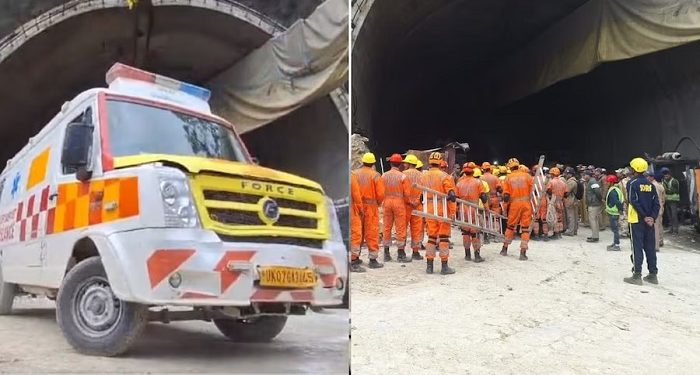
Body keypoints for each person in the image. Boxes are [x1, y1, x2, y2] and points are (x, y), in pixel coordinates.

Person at [624, 157, 660, 285]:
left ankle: (637, 275)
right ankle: (653, 274)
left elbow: (633, 201)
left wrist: (644, 216)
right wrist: (652, 217)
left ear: (633, 169)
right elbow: (657, 203)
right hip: (649, 221)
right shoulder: (651, 185)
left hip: (636, 219)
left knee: (637, 247)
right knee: (650, 247)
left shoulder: (632, 183)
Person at [423, 152, 457, 275]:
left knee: (431, 237)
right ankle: (444, 266)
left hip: (429, 209)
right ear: (440, 162)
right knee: (443, 237)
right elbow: (452, 195)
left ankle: (429, 266)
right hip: (442, 210)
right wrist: (453, 212)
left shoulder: (424, 176)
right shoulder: (445, 176)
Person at [353, 152, 385, 269]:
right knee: (371, 232)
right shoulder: (376, 175)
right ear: (373, 163)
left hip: (357, 206)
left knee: (357, 232)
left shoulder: (355, 174)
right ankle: (372, 259)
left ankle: (354, 257)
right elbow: (381, 194)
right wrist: (378, 203)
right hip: (371, 207)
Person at [382, 154, 413, 262]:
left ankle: (386, 253)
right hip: (399, 203)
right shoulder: (403, 177)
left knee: (387, 227)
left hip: (386, 202)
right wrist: (409, 203)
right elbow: (407, 194)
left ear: (390, 163)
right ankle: (400, 254)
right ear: (400, 164)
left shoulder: (384, 176)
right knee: (400, 227)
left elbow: (380, 191)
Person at [500, 158, 534, 260]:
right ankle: (523, 253)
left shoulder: (508, 178)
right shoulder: (527, 176)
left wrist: (505, 206)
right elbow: (533, 190)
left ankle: (504, 249)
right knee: (525, 229)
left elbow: (506, 196)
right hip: (526, 204)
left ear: (510, 167)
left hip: (515, 205)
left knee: (510, 227)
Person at [456, 164, 488, 262]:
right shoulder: (478, 182)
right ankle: (477, 256)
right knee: (475, 233)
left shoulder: (459, 183)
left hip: (463, 209)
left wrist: (456, 210)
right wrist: (486, 208)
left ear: (464, 171)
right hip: (474, 208)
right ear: (473, 171)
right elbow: (483, 196)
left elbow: (456, 199)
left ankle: (467, 255)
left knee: (465, 232)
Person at [402, 154, 425, 261]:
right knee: (416, 229)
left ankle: (401, 252)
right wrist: (417, 201)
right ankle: (415, 252)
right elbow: (424, 191)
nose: (404, 164)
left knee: (402, 228)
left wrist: (409, 201)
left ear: (409, 163)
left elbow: (401, 190)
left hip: (406, 205)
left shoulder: (403, 174)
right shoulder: (421, 175)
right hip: (418, 206)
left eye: (405, 163)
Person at [350, 172, 367, 272]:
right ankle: (353, 261)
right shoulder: (350, 175)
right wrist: (360, 209)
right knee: (356, 234)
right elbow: (356, 194)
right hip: (351, 210)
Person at [546, 167, 566, 240]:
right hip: (560, 201)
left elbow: (548, 190)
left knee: (554, 217)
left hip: (553, 200)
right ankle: (559, 233)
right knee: (560, 217)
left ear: (552, 174)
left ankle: (555, 233)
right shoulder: (563, 182)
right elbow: (566, 193)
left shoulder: (551, 182)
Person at [605, 175, 624, 251]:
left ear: (611, 182)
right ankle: (615, 243)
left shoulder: (613, 191)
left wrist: (620, 210)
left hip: (614, 213)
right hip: (614, 212)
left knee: (615, 229)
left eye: (608, 182)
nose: (606, 183)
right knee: (614, 229)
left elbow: (617, 202)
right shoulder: (616, 189)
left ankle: (616, 245)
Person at [648, 172, 666, 251]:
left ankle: (656, 246)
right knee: (659, 226)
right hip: (660, 207)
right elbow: (663, 198)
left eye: (648, 177)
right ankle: (660, 241)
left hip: (655, 208)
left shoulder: (652, 186)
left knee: (655, 227)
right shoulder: (660, 186)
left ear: (651, 177)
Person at [584, 171, 603, 243]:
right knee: (594, 220)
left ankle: (595, 237)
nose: (584, 177)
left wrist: (599, 199)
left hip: (593, 204)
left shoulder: (592, 182)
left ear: (588, 175)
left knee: (593, 220)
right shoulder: (592, 181)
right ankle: (595, 235)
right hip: (594, 203)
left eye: (585, 175)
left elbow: (598, 192)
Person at [661, 167, 680, 234]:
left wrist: (666, 190)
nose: (666, 176)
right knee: (669, 216)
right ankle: (671, 229)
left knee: (674, 216)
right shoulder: (664, 181)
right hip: (667, 201)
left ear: (670, 175)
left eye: (667, 175)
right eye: (664, 175)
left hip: (673, 201)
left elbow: (674, 191)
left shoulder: (674, 181)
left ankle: (675, 230)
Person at [563, 167, 579, 236]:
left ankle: (571, 231)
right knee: (575, 216)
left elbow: (566, 192)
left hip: (570, 200)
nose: (566, 175)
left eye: (567, 173)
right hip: (574, 200)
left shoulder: (571, 182)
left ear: (570, 174)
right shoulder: (574, 181)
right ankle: (574, 230)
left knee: (571, 216)